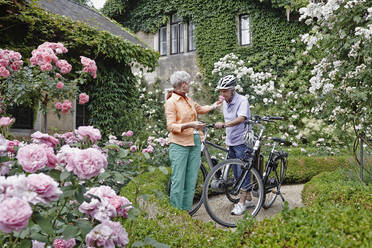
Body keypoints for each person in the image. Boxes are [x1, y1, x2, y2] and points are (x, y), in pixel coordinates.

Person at [164, 71, 221, 211]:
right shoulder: (171, 102)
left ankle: (186, 211)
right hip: (179, 144)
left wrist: (214, 105)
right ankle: (176, 215)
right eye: (188, 83)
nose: (189, 85)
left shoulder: (188, 100)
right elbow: (171, 126)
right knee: (178, 180)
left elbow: (200, 109)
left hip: (195, 141)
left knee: (191, 180)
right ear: (183, 84)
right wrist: (191, 125)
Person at [214, 74, 253, 216]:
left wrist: (224, 125)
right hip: (232, 142)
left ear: (233, 90)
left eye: (225, 91)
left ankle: (241, 203)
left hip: (243, 141)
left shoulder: (243, 100)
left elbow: (241, 118)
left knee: (243, 172)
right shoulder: (225, 102)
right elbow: (228, 119)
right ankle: (248, 198)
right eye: (221, 91)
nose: (222, 94)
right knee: (237, 173)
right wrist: (227, 140)